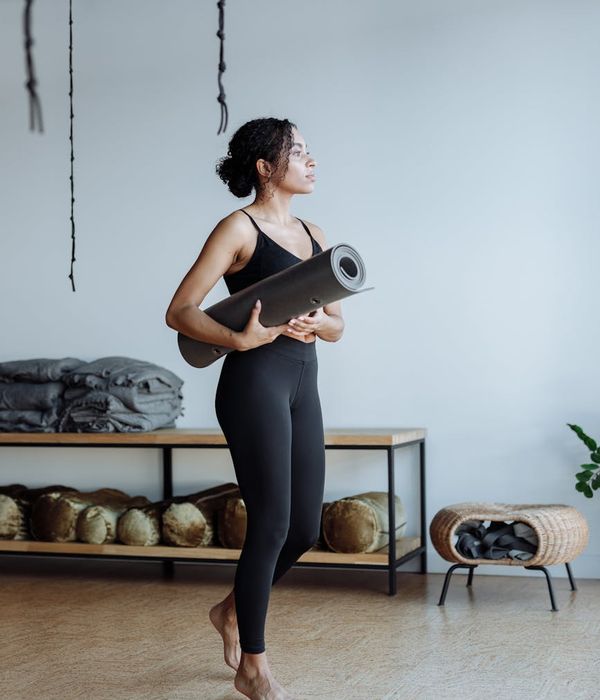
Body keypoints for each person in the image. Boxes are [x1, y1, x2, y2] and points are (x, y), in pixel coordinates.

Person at [165, 117, 344, 700]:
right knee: (269, 521)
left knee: (304, 528)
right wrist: (240, 340)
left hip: (303, 382)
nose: (311, 161)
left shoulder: (315, 233)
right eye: (299, 152)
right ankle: (254, 666)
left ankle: (229, 610)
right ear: (266, 169)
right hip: (253, 384)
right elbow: (182, 310)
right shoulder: (237, 229)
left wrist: (323, 322)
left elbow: (339, 326)